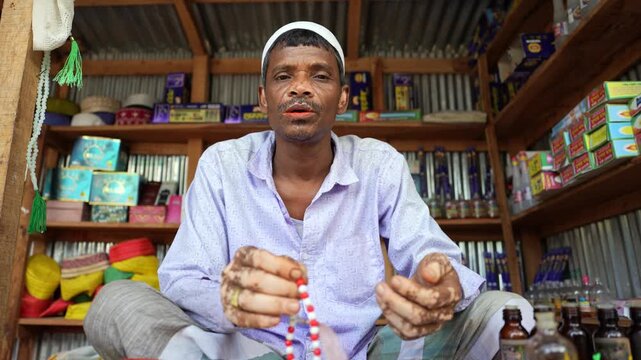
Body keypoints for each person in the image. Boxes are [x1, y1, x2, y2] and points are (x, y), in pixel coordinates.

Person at [85, 21, 533, 359]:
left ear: (342, 97)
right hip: (248, 352)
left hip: (362, 351)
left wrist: (440, 289)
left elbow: (434, 257)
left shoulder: (378, 163)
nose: (300, 86)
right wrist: (230, 302)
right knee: (117, 301)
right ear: (263, 97)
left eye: (319, 76)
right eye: (284, 77)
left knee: (507, 312)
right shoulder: (222, 165)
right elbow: (183, 280)